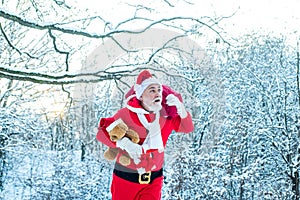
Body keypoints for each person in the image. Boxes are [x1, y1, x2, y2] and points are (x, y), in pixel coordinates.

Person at [96, 69, 194, 200]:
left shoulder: (166, 117)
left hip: (153, 181)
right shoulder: (126, 113)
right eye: (152, 90)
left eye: (159, 90)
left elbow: (187, 128)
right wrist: (125, 144)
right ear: (141, 95)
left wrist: (181, 109)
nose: (157, 93)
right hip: (125, 180)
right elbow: (101, 134)